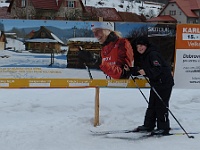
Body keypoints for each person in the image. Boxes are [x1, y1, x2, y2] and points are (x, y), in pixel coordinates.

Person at [126, 36, 174, 135]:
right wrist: (131, 70)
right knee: (152, 105)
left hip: (164, 83)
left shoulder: (153, 54)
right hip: (156, 83)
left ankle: (163, 128)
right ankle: (148, 125)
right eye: (138, 46)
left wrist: (145, 71)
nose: (140, 48)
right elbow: (142, 70)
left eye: (142, 46)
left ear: (146, 45)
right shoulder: (145, 55)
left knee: (161, 106)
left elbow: (158, 69)